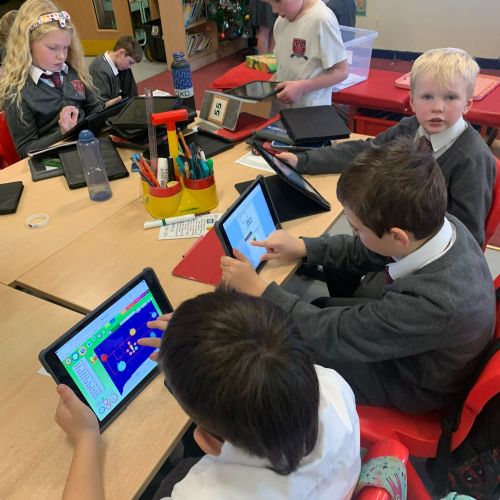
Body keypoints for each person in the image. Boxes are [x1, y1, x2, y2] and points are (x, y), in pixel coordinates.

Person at [220, 137, 496, 414]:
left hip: (413, 384)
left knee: (272, 355)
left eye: (356, 229)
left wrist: (261, 291)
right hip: (423, 353)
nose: (354, 234)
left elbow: (335, 333)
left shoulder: (436, 302)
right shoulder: (439, 225)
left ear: (398, 236)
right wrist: (304, 247)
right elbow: (372, 249)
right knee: (320, 308)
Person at [54, 290, 361, 499]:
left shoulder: (196, 494)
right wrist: (198, 342)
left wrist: (86, 438)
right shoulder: (333, 385)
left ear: (207, 442)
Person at [278, 47, 496, 248]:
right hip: (392, 231)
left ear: (467, 104)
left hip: (422, 251)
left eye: (451, 98)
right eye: (427, 97)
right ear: (412, 101)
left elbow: (468, 234)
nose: (437, 108)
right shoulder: (411, 127)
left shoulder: (472, 158)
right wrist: (303, 160)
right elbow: (368, 150)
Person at [0, 0, 103, 158]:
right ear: (27, 45)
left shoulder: (72, 70)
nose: (61, 56)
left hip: (88, 147)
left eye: (65, 47)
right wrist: (63, 132)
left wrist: (108, 111)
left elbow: (94, 109)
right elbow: (25, 150)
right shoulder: (16, 92)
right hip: (54, 160)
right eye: (53, 48)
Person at [265, 0, 349, 109]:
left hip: (312, 112)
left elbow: (342, 71)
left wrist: (302, 88)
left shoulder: (322, 19)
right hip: (284, 112)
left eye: (278, 1)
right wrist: (271, 85)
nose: (274, 10)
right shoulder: (280, 22)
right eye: (269, 3)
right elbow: (285, 66)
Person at [89, 35, 142, 106]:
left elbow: (132, 95)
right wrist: (120, 99)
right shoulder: (99, 70)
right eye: (130, 62)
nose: (129, 67)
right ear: (121, 53)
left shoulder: (122, 66)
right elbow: (101, 106)